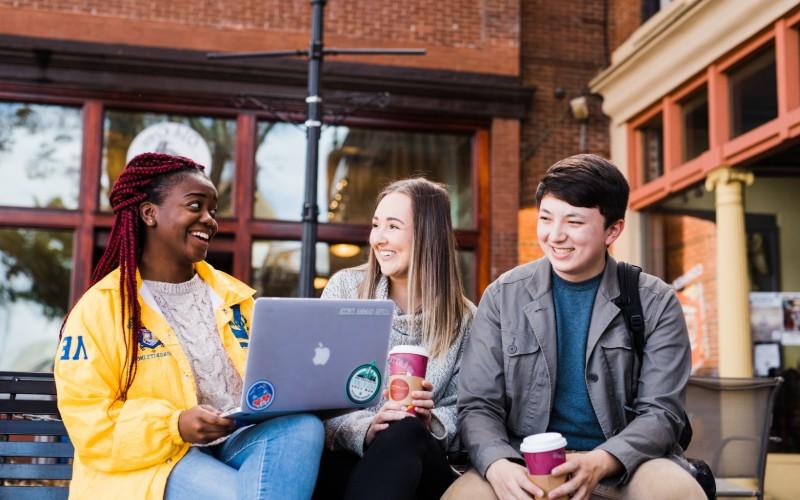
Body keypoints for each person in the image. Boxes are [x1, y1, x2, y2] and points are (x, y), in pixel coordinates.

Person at [54, 152, 324, 500]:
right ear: (149, 213)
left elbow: (270, 380)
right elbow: (88, 424)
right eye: (195, 206)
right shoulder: (101, 309)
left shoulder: (236, 299)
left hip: (235, 445)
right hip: (154, 464)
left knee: (303, 428)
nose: (210, 220)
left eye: (213, 210)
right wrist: (175, 425)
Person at [444, 154, 706, 500]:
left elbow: (661, 413)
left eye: (574, 222)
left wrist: (602, 460)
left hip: (624, 467)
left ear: (613, 229)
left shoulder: (655, 301)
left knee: (678, 492)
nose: (555, 235)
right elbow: (478, 405)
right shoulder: (502, 297)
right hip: (522, 463)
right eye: (546, 218)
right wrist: (497, 464)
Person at [314, 178, 475, 500]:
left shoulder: (465, 319)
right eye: (376, 225)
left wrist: (432, 422)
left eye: (393, 226)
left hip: (419, 464)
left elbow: (468, 411)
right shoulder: (347, 291)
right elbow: (316, 396)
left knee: (405, 431)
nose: (378, 238)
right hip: (347, 455)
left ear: (428, 236)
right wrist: (366, 429)